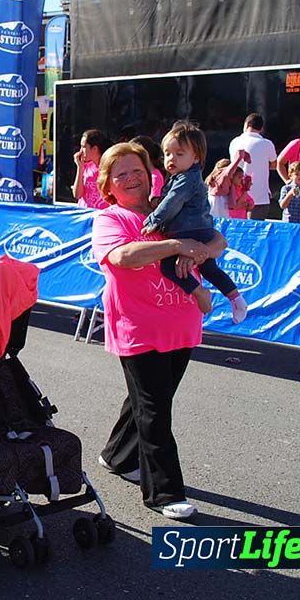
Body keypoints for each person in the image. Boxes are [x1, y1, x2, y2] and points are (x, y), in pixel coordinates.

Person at [91, 141, 227, 520]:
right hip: (137, 328)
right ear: (108, 185)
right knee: (155, 409)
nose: (131, 179)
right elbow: (122, 256)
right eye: (121, 175)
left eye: (137, 171)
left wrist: (203, 250)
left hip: (181, 325)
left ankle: (117, 455)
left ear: (151, 174)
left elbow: (218, 239)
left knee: (151, 400)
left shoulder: (171, 208)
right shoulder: (110, 219)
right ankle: (164, 493)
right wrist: (176, 245)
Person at [142, 123, 247, 323]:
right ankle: (235, 297)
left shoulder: (186, 179)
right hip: (196, 230)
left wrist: (153, 221)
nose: (171, 159)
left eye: (179, 154)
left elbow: (173, 201)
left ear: (196, 157)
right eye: (167, 154)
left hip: (192, 231)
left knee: (168, 267)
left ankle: (201, 293)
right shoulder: (178, 177)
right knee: (209, 269)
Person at [228, 113, 277, 220]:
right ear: (261, 128)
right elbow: (274, 165)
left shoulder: (234, 142)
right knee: (256, 231)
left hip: (236, 196)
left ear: (246, 125)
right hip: (260, 196)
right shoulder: (267, 144)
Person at [73, 129, 113, 209]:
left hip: (101, 215)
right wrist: (80, 168)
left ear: (94, 149)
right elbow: (77, 195)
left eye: (83, 147)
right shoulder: (85, 166)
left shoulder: (110, 168)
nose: (80, 151)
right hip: (84, 214)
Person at [205, 152, 250, 218]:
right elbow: (228, 172)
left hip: (220, 209)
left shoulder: (225, 183)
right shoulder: (222, 180)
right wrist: (240, 156)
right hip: (216, 208)